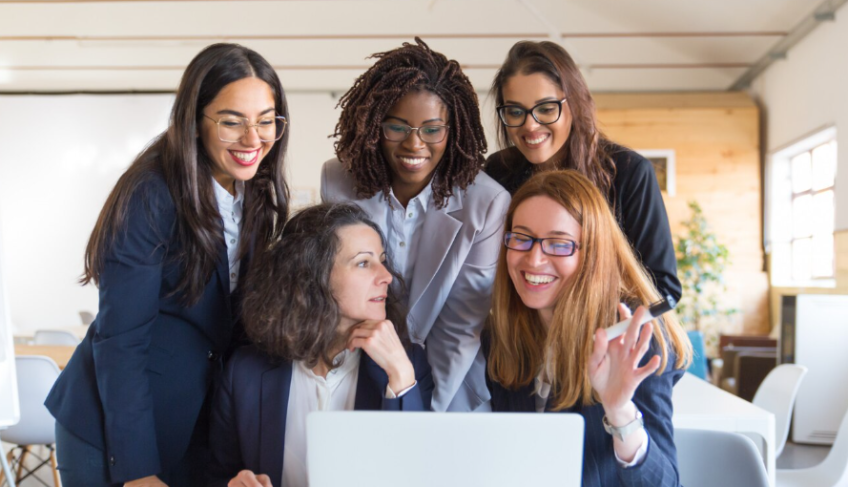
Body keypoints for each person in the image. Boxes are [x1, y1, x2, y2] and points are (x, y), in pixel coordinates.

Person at [45, 43, 290, 487]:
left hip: (190, 422)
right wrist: (138, 471)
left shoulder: (250, 194)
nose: (253, 139)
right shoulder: (151, 193)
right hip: (113, 431)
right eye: (232, 121)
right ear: (195, 121)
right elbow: (121, 341)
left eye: (265, 120)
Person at [322, 38, 510, 412]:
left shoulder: (486, 203)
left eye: (431, 129)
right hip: (355, 365)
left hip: (449, 385)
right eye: (398, 127)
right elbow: (333, 291)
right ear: (376, 124)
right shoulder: (338, 181)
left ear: (452, 131)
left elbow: (460, 326)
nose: (414, 144)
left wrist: (419, 408)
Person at [485, 170, 692, 486]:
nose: (534, 259)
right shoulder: (503, 330)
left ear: (593, 253)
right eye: (522, 238)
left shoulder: (632, 335)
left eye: (558, 244)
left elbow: (664, 483)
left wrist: (619, 409)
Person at [207, 203, 433, 487]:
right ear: (312, 276)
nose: (386, 276)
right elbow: (216, 475)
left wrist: (401, 378)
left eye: (382, 260)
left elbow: (415, 476)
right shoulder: (244, 372)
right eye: (364, 263)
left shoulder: (408, 367)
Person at [485, 41, 681, 304]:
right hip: (522, 338)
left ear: (574, 104)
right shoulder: (498, 173)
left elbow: (663, 289)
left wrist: (593, 334)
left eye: (546, 108)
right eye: (515, 111)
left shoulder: (629, 173)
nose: (530, 125)